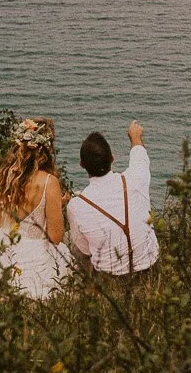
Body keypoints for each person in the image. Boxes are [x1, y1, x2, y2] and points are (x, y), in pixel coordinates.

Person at [0, 117, 72, 300]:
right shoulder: (49, 182)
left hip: (2, 254)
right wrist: (57, 206)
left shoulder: (0, 178)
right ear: (46, 150)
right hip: (35, 261)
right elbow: (55, 237)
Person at [66, 119, 159, 278]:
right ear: (112, 158)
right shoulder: (135, 179)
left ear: (82, 164)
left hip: (109, 278)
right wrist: (135, 136)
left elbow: (85, 249)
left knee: (70, 241)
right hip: (150, 268)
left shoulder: (76, 205)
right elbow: (139, 155)